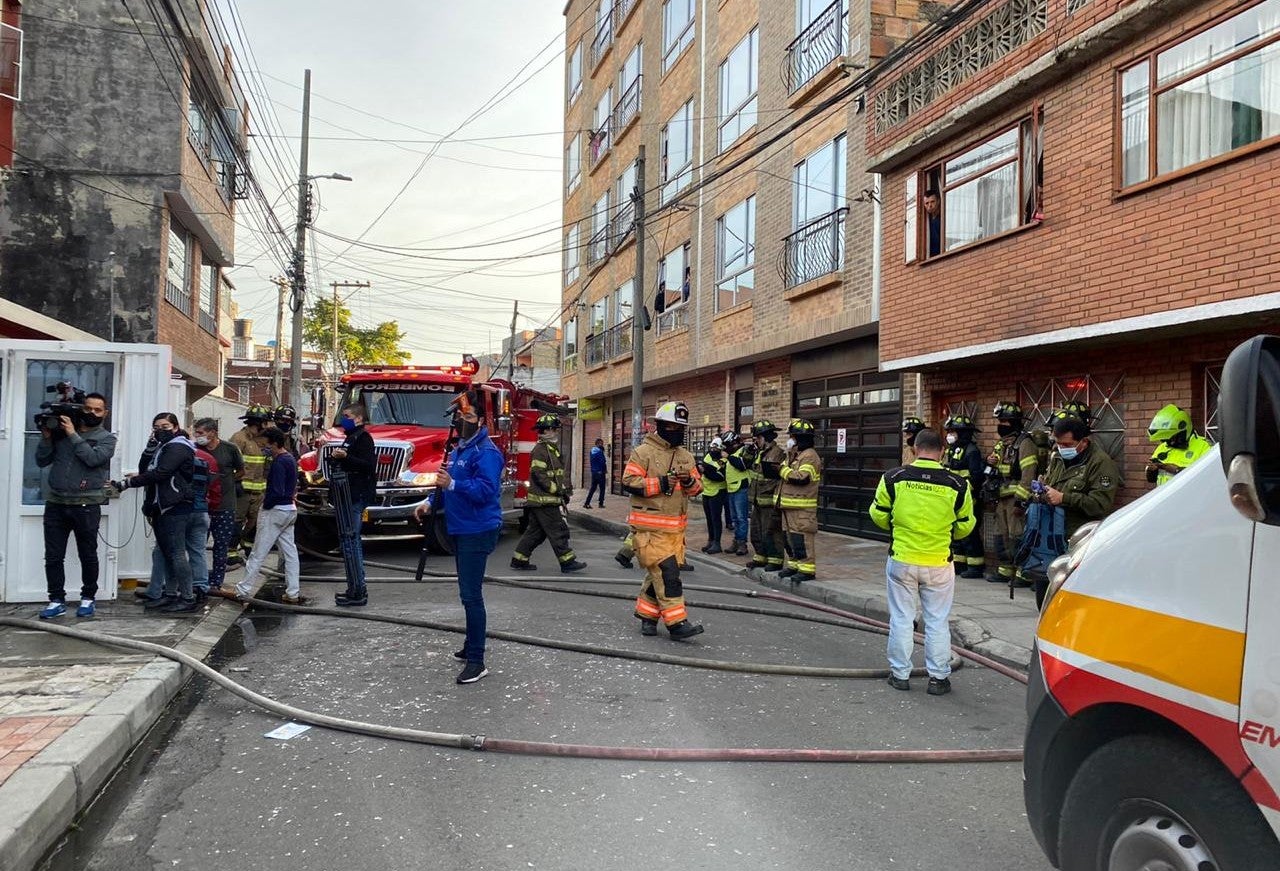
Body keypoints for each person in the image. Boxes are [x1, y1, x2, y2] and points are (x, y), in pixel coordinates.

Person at [870, 428, 976, 696]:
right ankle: (939, 678)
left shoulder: (893, 477)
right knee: (937, 621)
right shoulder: (958, 484)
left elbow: (878, 514)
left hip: (902, 559)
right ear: (942, 451)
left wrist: (898, 531)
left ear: (915, 449)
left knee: (902, 619)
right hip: (939, 561)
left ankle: (900, 674)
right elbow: (966, 525)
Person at [413, 390, 504, 684]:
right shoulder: (459, 449)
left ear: (480, 421)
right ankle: (470, 646)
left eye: (468, 416)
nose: (463, 421)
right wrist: (430, 501)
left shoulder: (487, 453)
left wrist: (452, 485)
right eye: (460, 416)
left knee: (471, 596)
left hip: (477, 530)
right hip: (461, 527)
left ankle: (477, 660)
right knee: (467, 594)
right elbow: (445, 481)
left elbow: (485, 491)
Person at [621, 401, 705, 640]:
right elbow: (629, 482)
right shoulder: (643, 453)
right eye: (672, 427)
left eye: (681, 428)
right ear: (660, 426)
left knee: (656, 576)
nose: (677, 432)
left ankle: (647, 617)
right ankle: (677, 624)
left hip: (675, 533)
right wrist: (661, 483)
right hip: (649, 531)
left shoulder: (685, 456)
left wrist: (688, 482)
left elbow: (697, 488)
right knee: (668, 577)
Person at [35, 392, 117, 620]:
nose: (91, 413)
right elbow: (41, 461)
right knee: (53, 556)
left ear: (104, 413)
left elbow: (93, 459)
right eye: (88, 409)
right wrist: (47, 437)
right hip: (56, 503)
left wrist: (72, 434)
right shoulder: (61, 435)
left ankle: (88, 598)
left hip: (86, 505)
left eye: (97, 410)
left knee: (87, 554)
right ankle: (56, 600)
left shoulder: (107, 438)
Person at [1032, 415, 1121, 608]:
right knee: (1044, 597)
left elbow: (1100, 504)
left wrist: (1064, 498)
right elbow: (1051, 484)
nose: (1062, 449)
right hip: (1050, 537)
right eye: (1058, 444)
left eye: (1067, 444)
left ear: (1084, 442)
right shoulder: (1056, 457)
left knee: (1069, 601)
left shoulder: (1100, 463)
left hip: (1077, 541)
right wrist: (1042, 491)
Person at [118, 414, 201, 614]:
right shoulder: (163, 447)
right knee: (167, 553)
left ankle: (187, 598)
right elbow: (144, 468)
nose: (160, 430)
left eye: (165, 426)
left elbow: (161, 473)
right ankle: (170, 594)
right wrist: (150, 446)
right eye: (156, 427)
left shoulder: (179, 447)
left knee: (177, 554)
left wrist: (127, 484)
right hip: (162, 506)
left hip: (175, 506)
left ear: (175, 427)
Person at [235, 429, 307, 604]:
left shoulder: (279, 463)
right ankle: (292, 592)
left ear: (274, 443)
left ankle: (243, 590)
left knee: (258, 553)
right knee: (290, 553)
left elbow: (277, 490)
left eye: (266, 444)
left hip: (275, 511)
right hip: (289, 509)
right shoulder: (290, 459)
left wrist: (266, 506)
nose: (264, 448)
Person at [510, 414, 587, 573]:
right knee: (558, 530)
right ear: (548, 430)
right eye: (555, 430)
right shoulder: (541, 450)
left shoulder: (550, 449)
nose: (556, 433)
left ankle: (519, 560)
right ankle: (567, 561)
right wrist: (557, 490)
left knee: (536, 533)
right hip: (545, 501)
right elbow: (539, 475)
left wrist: (563, 492)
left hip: (544, 501)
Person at [986, 401, 1040, 587]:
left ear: (1015, 422)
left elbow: (1028, 475)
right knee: (1001, 536)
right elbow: (997, 468)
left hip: (1015, 499)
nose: (1001, 425)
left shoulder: (1025, 444)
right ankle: (1005, 571)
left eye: (1005, 421)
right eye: (1000, 420)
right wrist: (991, 461)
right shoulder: (1003, 444)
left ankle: (1023, 574)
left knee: (1018, 536)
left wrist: (1020, 502)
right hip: (1001, 497)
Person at [330, 402, 377, 607]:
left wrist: (346, 457)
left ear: (358, 418)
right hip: (346, 496)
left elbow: (368, 466)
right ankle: (353, 589)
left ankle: (358, 591)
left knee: (351, 542)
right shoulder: (351, 438)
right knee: (347, 542)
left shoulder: (363, 438)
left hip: (355, 496)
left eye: (347, 415)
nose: (344, 420)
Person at [193, 418, 243, 596]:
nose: (197, 436)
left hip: (225, 505)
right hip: (201, 506)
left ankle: (216, 582)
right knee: (197, 545)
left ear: (213, 432)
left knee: (221, 546)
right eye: (196, 432)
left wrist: (225, 481)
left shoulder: (229, 449)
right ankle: (198, 581)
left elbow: (241, 470)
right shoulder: (195, 450)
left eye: (200, 433)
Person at [942, 414, 986, 579]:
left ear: (963, 433)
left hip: (968, 499)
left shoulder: (972, 451)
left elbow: (976, 477)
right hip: (952, 498)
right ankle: (959, 564)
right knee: (956, 533)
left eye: (954, 431)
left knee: (969, 533)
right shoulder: (953, 450)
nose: (950, 434)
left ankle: (975, 566)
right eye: (950, 431)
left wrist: (963, 493)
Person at [778, 419, 822, 582]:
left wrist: (782, 470)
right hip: (790, 505)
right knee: (790, 539)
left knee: (802, 539)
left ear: (800, 438)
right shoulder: (796, 455)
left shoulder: (809, 456)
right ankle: (794, 565)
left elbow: (801, 478)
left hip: (802, 508)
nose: (791, 439)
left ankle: (807, 570)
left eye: (793, 437)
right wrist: (789, 455)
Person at [230, 405, 273, 555]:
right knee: (236, 520)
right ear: (259, 422)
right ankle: (231, 552)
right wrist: (235, 483)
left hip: (259, 491)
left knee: (256, 522)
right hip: (242, 490)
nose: (268, 426)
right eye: (266, 422)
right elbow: (230, 463)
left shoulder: (263, 441)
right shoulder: (239, 438)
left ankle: (248, 544)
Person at [747, 420, 786, 572]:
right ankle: (760, 556)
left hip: (769, 500)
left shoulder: (778, 454)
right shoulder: (760, 452)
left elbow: (779, 477)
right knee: (756, 530)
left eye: (757, 437)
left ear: (765, 437)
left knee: (771, 531)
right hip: (757, 499)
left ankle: (775, 560)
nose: (755, 440)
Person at [1146, 404, 1211, 486]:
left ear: (1183, 432)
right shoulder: (1162, 447)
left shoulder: (1204, 446)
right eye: (1166, 438)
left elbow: (1209, 477)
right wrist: (1151, 471)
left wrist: (1176, 470)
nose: (1168, 441)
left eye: (1172, 437)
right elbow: (1152, 480)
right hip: (1166, 496)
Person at [723, 430, 751, 556]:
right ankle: (736, 540)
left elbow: (742, 465)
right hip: (731, 488)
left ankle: (742, 543)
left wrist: (728, 457)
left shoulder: (744, 450)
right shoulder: (732, 453)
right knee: (735, 518)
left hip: (741, 487)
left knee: (741, 518)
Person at [698, 436, 727, 554]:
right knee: (709, 518)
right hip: (706, 491)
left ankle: (717, 543)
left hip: (718, 491)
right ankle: (710, 540)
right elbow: (703, 466)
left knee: (716, 518)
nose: (713, 450)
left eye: (716, 448)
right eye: (712, 447)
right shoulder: (708, 456)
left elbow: (719, 477)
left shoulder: (723, 460)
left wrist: (706, 470)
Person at [583, 437, 607, 508]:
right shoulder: (600, 452)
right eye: (602, 443)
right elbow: (603, 462)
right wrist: (604, 470)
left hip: (594, 473)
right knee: (602, 488)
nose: (602, 445)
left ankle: (587, 503)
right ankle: (601, 503)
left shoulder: (592, 451)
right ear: (599, 443)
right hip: (600, 473)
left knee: (593, 488)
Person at [923, 188, 942, 257]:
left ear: (938, 201)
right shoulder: (926, 222)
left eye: (932, 202)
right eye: (927, 203)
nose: (930, 205)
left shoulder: (943, 218)